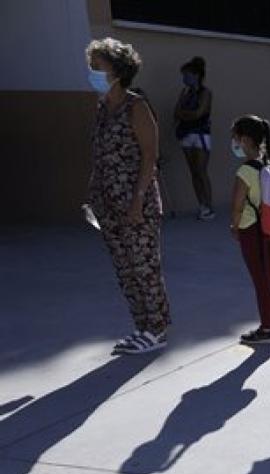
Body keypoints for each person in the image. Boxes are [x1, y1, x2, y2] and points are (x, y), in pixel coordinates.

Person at [86, 38, 172, 355]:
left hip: (136, 201)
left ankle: (157, 329)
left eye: (98, 66)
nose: (92, 72)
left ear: (118, 71)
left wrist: (137, 198)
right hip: (106, 201)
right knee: (124, 269)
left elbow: (150, 156)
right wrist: (93, 195)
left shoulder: (136, 106)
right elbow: (100, 154)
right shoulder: (102, 108)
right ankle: (142, 327)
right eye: (91, 66)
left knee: (144, 267)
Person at [229, 115, 270, 345]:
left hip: (251, 229)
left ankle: (266, 328)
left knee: (260, 279)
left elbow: (237, 204)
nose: (234, 144)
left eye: (235, 138)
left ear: (244, 140)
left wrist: (234, 226)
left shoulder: (246, 170)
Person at [174, 56, 214, 220]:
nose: (184, 78)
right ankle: (201, 206)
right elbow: (176, 112)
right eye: (183, 75)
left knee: (201, 171)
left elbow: (200, 112)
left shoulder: (205, 93)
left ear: (196, 75)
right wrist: (185, 114)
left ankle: (209, 206)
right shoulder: (185, 93)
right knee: (193, 172)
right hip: (186, 134)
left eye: (187, 75)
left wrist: (185, 115)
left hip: (200, 134)